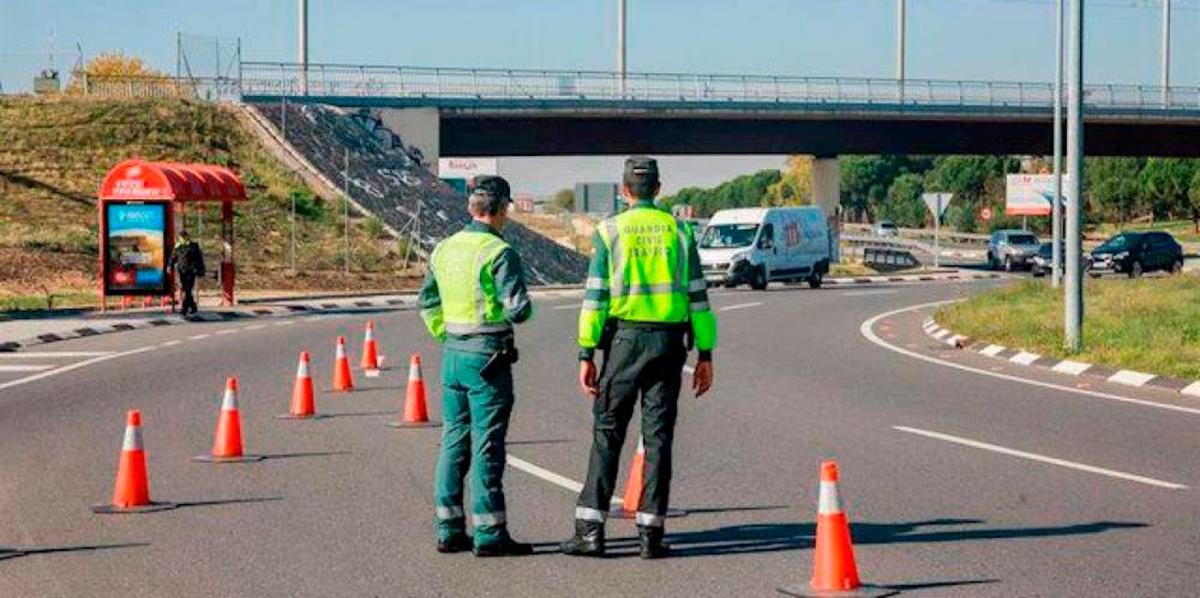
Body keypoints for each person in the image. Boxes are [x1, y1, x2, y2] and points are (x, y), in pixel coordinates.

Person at [560, 157, 717, 559]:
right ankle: (651, 535)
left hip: (625, 342)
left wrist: (586, 352)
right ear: (658, 189)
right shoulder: (680, 231)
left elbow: (595, 297)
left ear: (624, 190)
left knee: (607, 433)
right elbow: (698, 297)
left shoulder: (610, 231)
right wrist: (705, 353)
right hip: (668, 345)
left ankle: (590, 532)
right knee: (658, 438)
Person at [419, 175, 535, 557]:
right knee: (487, 445)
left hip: (453, 354)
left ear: (471, 206)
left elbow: (427, 302)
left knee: (453, 441)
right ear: (501, 208)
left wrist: (447, 335)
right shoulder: (499, 252)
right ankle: (490, 535)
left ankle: (448, 529)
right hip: (488, 357)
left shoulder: (443, 249)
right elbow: (519, 310)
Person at [170, 230, 205, 317]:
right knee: (186, 289)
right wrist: (169, 265)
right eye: (180, 238)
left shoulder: (193, 246)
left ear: (186, 237)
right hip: (182, 271)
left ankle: (184, 309)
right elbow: (173, 257)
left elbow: (199, 259)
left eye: (182, 237)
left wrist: (200, 270)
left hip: (191, 271)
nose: (181, 239)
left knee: (188, 289)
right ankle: (193, 306)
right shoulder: (178, 246)